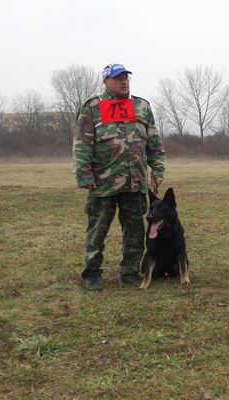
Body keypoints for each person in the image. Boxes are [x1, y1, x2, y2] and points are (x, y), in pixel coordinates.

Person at [73, 63, 165, 291]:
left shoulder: (141, 107)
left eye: (126, 77)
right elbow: (82, 144)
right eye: (118, 78)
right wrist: (84, 175)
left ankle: (130, 272)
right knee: (97, 230)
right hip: (103, 182)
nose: (124, 82)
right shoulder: (93, 107)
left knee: (134, 229)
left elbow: (153, 141)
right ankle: (92, 273)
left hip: (134, 182)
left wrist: (158, 169)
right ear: (106, 81)